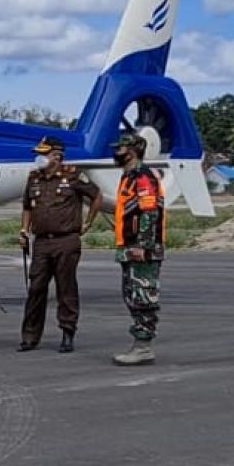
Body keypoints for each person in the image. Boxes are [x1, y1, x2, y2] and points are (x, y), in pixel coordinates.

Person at [18, 136, 102, 353]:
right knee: (36, 288)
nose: (40, 157)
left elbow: (96, 196)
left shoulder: (72, 175)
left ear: (57, 156)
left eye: (44, 153)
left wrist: (88, 222)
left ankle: (67, 332)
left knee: (66, 288)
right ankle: (29, 337)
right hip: (42, 242)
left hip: (66, 240)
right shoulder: (34, 177)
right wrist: (24, 231)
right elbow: (27, 206)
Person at [111, 133, 165, 366]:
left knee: (143, 296)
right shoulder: (129, 177)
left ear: (132, 150)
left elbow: (149, 212)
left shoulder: (143, 178)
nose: (116, 152)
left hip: (142, 249)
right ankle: (140, 344)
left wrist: (142, 245)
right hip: (129, 248)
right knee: (132, 296)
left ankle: (143, 347)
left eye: (120, 148)